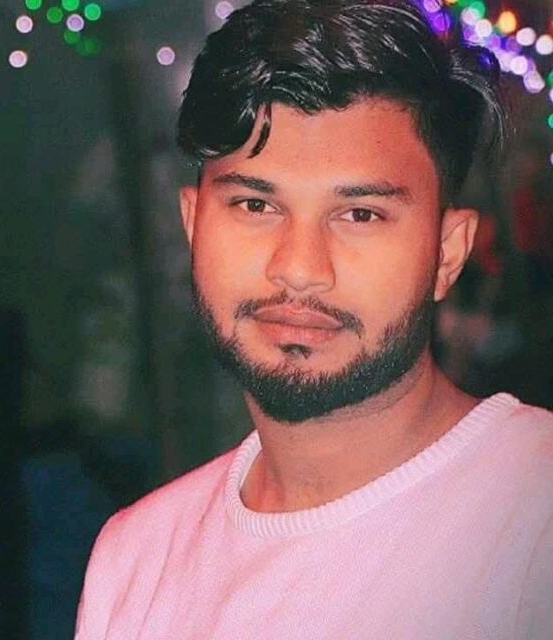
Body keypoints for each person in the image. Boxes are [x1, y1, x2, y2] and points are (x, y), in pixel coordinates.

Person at [75, 1, 553, 637]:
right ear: (193, 226)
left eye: (360, 214)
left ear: (447, 252)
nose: (299, 268)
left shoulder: (534, 512)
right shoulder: (136, 557)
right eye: (255, 205)